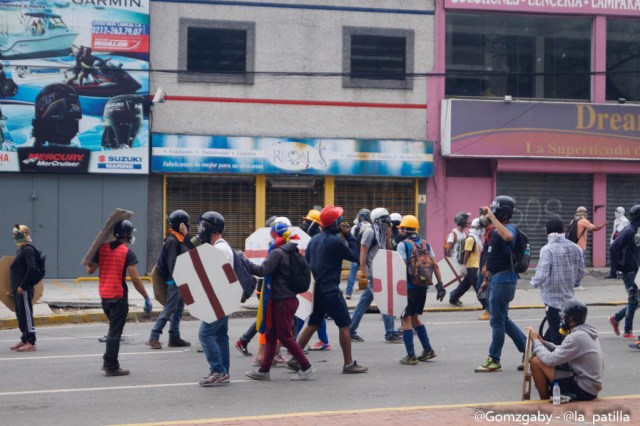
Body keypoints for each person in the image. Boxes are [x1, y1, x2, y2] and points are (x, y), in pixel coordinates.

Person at [295, 205, 368, 374]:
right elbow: (355, 256)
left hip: (317, 290)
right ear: (335, 223)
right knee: (345, 325)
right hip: (331, 290)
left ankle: (294, 358)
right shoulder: (336, 241)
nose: (343, 223)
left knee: (312, 324)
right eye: (340, 220)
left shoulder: (314, 240)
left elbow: (307, 262)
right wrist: (349, 235)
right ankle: (349, 364)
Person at [244, 223, 317, 381]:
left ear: (274, 236)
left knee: (284, 336)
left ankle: (306, 367)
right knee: (271, 335)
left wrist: (244, 260)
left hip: (282, 301)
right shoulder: (291, 251)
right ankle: (264, 371)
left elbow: (262, 271)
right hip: (285, 299)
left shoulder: (278, 253)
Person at [86, 220, 152, 376]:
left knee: (112, 330)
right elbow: (135, 279)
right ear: (127, 235)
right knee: (115, 333)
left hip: (104, 296)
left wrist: (91, 256)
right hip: (118, 297)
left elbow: (90, 270)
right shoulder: (127, 252)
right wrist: (146, 297)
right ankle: (111, 366)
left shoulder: (101, 249)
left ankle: (107, 359)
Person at [475, 196, 526, 373]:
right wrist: (487, 279)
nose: (491, 212)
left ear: (502, 212)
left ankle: (494, 359)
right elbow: (494, 256)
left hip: (504, 280)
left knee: (497, 322)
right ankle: (529, 350)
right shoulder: (495, 231)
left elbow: (508, 236)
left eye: (494, 209)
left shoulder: (509, 228)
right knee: (503, 320)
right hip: (497, 279)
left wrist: (492, 218)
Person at [528, 298, 604, 401]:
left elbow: (551, 360)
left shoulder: (576, 337)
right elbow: (564, 350)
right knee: (542, 359)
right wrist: (545, 343)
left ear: (569, 319)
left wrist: (535, 341)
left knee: (536, 361)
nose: (562, 320)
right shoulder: (584, 332)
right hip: (590, 386)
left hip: (584, 390)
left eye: (564, 317)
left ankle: (544, 400)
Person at [396, 215, 445, 364]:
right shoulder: (426, 244)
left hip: (408, 287)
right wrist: (440, 285)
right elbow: (435, 265)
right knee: (415, 317)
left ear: (404, 229)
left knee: (405, 319)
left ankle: (411, 356)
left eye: (401, 229)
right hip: (422, 286)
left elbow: (402, 267)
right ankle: (428, 350)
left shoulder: (403, 245)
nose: (400, 231)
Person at [193, 211, 234, 387]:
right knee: (219, 336)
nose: (201, 230)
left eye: (204, 226)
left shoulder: (220, 249)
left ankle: (218, 370)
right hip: (223, 297)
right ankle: (223, 371)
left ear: (212, 228)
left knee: (205, 334)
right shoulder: (222, 248)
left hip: (218, 298)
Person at [531, 218, 585, 345]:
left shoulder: (547, 249)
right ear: (564, 230)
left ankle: (562, 364)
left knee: (558, 337)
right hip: (568, 300)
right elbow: (581, 273)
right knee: (558, 328)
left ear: (546, 233)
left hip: (552, 301)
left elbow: (541, 275)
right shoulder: (576, 248)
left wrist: (533, 283)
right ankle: (541, 353)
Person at [349, 207, 399, 343]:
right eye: (384, 220)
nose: (387, 223)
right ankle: (390, 334)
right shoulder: (370, 232)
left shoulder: (382, 233)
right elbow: (363, 253)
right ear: (377, 220)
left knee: (363, 304)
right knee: (385, 302)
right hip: (372, 274)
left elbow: (388, 252)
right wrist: (363, 274)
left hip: (380, 272)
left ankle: (350, 330)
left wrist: (388, 238)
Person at [146, 210, 193, 350]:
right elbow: (172, 265)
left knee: (179, 309)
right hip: (175, 280)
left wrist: (186, 235)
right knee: (170, 308)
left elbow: (195, 249)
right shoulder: (172, 241)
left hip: (182, 279)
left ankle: (174, 337)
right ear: (181, 224)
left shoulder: (181, 238)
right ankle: (154, 336)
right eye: (186, 224)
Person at [608, 205, 640, 341]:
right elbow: (613, 248)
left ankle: (616, 318)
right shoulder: (629, 231)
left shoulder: (636, 231)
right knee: (634, 299)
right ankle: (627, 330)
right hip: (628, 270)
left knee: (635, 300)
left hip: (635, 270)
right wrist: (616, 268)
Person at [9, 225, 41, 352]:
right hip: (18, 289)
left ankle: (31, 342)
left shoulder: (28, 249)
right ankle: (24, 338)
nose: (14, 237)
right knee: (20, 314)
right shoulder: (21, 250)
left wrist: (23, 285)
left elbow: (31, 268)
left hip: (24, 288)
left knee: (27, 314)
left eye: (16, 234)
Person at [571, 206, 607, 290]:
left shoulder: (573, 221)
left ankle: (573, 284)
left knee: (574, 266)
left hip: (573, 247)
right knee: (581, 267)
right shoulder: (583, 221)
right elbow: (595, 228)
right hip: (580, 247)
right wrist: (604, 224)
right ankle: (576, 284)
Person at [448, 218, 481, 307]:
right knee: (477, 285)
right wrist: (463, 265)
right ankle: (486, 303)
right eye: (480, 228)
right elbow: (466, 253)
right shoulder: (471, 239)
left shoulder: (474, 238)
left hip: (474, 265)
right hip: (471, 266)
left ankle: (453, 298)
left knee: (465, 285)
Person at [345, 208, 370, 300]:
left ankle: (348, 293)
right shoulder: (370, 227)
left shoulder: (355, 227)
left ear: (362, 216)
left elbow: (350, 240)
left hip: (356, 254)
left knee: (352, 273)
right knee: (367, 274)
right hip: (366, 255)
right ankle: (367, 294)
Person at [607, 207, 630, 279]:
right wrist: (612, 241)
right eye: (615, 211)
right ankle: (613, 273)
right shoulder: (616, 220)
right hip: (614, 242)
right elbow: (614, 231)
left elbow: (619, 231)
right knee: (613, 258)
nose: (615, 213)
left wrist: (614, 239)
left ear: (621, 213)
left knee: (620, 258)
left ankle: (621, 273)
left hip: (621, 242)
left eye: (617, 211)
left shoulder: (624, 221)